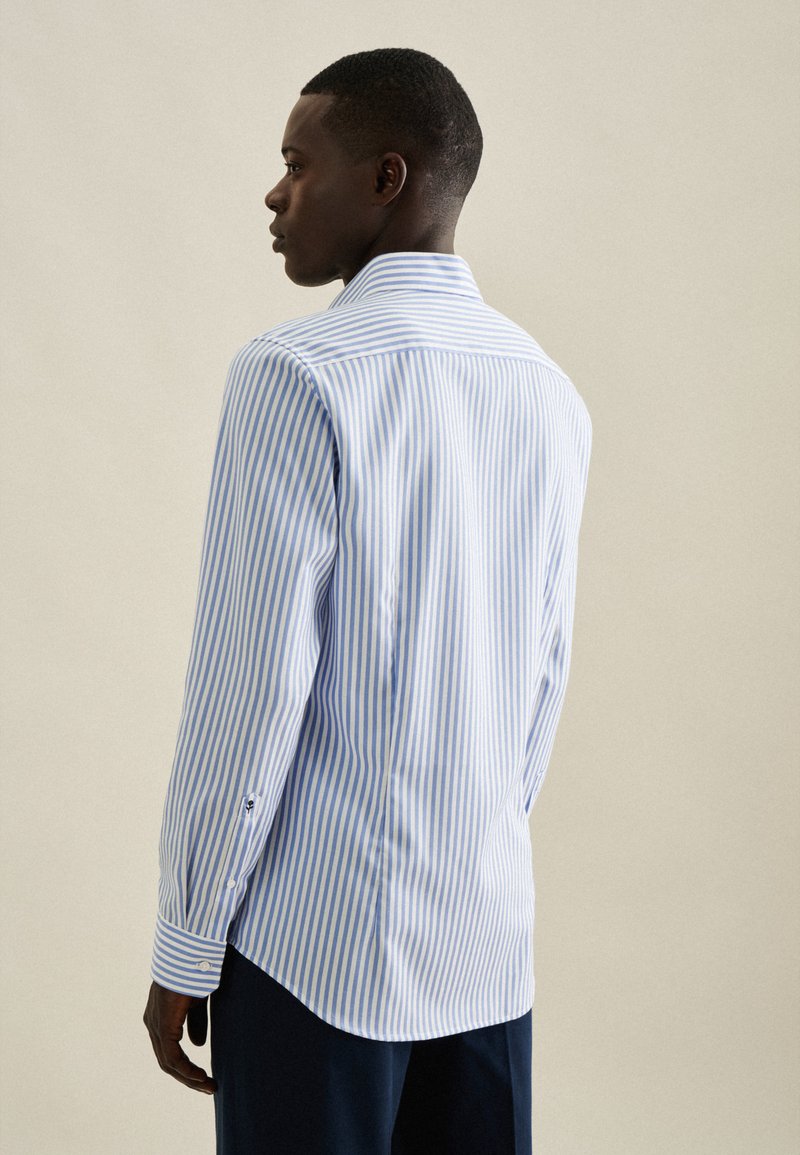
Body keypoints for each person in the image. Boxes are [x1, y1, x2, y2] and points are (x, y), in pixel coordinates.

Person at [143, 47, 592, 1154]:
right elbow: (541, 678)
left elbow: (248, 694)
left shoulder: (296, 373)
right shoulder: (545, 389)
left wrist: (187, 938)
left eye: (299, 163)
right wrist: (466, 850)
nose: (275, 192)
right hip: (486, 952)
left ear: (386, 178)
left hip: (314, 958)